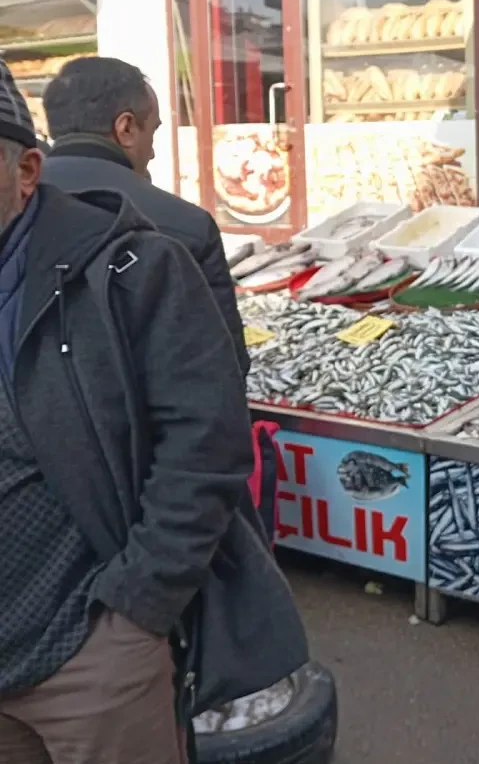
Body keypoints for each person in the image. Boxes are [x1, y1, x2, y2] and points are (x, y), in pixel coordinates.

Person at [0, 61, 307, 762]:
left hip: (90, 657)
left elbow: (208, 436)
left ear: (26, 170)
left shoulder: (133, 265)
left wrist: (139, 605)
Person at [40, 56, 250, 378]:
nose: (152, 152)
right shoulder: (186, 226)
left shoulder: (15, 208)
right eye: (153, 132)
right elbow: (224, 367)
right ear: (125, 128)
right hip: (142, 425)